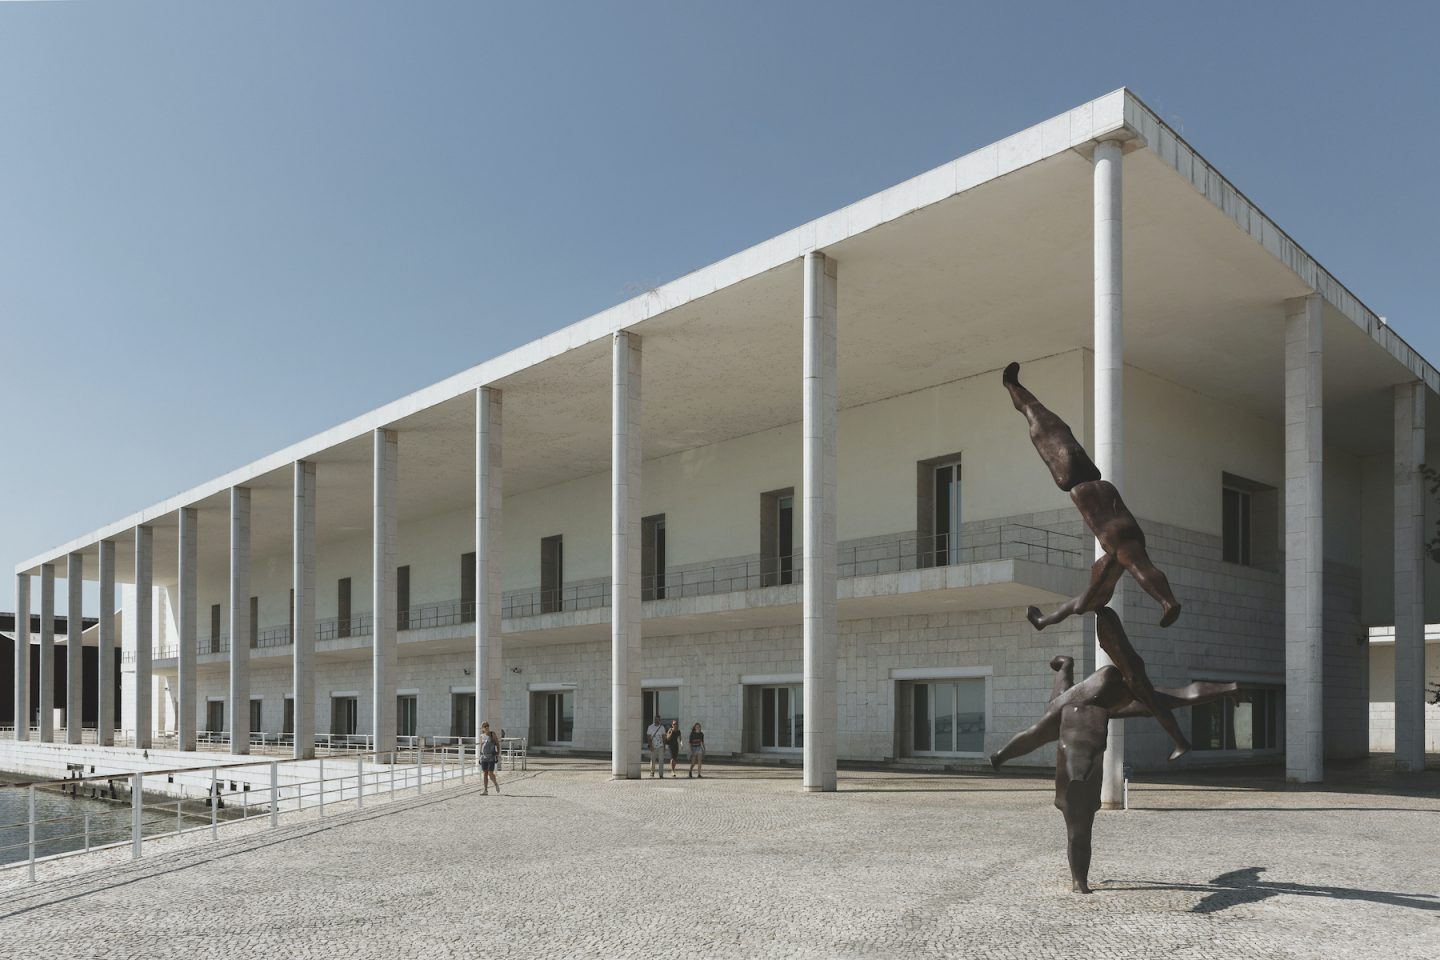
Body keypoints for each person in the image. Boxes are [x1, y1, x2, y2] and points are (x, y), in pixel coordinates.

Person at [1003, 361, 1182, 629]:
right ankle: (1043, 620)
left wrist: (1167, 603)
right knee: (1086, 600)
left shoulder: (1078, 485)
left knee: (1045, 426)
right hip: (1117, 523)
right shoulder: (1103, 574)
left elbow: (1136, 568)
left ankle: (1167, 601)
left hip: (1111, 526)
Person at [646, 714, 667, 778]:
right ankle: (652, 772)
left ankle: (661, 774)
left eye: (658, 719)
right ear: (654, 720)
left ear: (660, 720)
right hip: (653, 746)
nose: (657, 721)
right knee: (653, 760)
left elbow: (664, 737)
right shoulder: (650, 727)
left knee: (661, 761)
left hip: (661, 746)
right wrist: (650, 745)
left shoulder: (662, 727)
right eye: (656, 719)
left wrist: (664, 746)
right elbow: (648, 737)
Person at [480, 729, 500, 795]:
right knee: (485, 773)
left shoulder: (492, 734)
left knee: (490, 773)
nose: (486, 727)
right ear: (482, 728)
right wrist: (480, 757)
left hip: (491, 756)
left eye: (487, 726)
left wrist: (497, 754)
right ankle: (485, 790)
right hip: (484, 757)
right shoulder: (482, 736)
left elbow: (497, 744)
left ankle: (496, 784)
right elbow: (481, 746)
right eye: (484, 726)